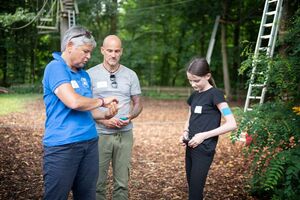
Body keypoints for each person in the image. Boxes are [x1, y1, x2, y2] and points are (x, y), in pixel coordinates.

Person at [42, 26, 119, 200]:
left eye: (90, 52)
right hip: (63, 146)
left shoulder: (84, 75)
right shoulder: (55, 68)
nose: (89, 56)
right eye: (85, 51)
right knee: (56, 196)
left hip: (90, 143)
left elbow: (88, 111)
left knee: (86, 196)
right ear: (70, 46)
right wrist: (101, 101)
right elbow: (74, 102)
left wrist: (106, 114)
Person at [87, 35, 143, 200]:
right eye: (110, 50)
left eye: (117, 51)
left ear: (121, 52)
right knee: (97, 183)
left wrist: (130, 116)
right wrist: (104, 120)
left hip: (124, 134)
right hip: (99, 134)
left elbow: (138, 103)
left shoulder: (130, 75)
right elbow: (85, 106)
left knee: (122, 183)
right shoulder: (90, 75)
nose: (113, 54)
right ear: (103, 50)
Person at [179, 57, 237, 200]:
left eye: (196, 80)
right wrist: (185, 132)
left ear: (208, 76)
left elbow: (232, 123)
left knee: (195, 193)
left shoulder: (216, 95)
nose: (193, 84)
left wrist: (203, 135)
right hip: (190, 147)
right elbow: (190, 117)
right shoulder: (194, 96)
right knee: (192, 189)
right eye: (190, 80)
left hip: (204, 150)